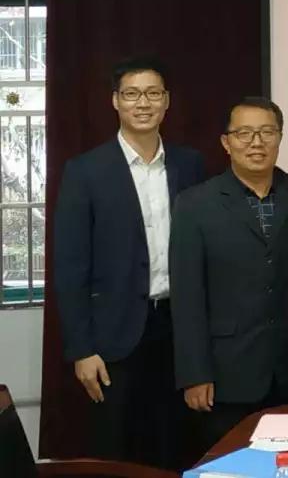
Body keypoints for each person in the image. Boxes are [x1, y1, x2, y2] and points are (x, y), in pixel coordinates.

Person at [52, 55, 204, 469]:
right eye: (132, 94)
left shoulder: (189, 164)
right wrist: (82, 349)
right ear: (115, 101)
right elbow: (70, 268)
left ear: (166, 101)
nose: (143, 103)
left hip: (176, 328)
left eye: (153, 94)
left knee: (175, 447)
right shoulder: (86, 171)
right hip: (113, 336)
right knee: (117, 450)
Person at [170, 97, 288, 451]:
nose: (256, 142)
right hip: (227, 374)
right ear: (226, 142)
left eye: (267, 132)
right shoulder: (195, 204)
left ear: (280, 138)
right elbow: (187, 296)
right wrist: (194, 374)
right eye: (245, 133)